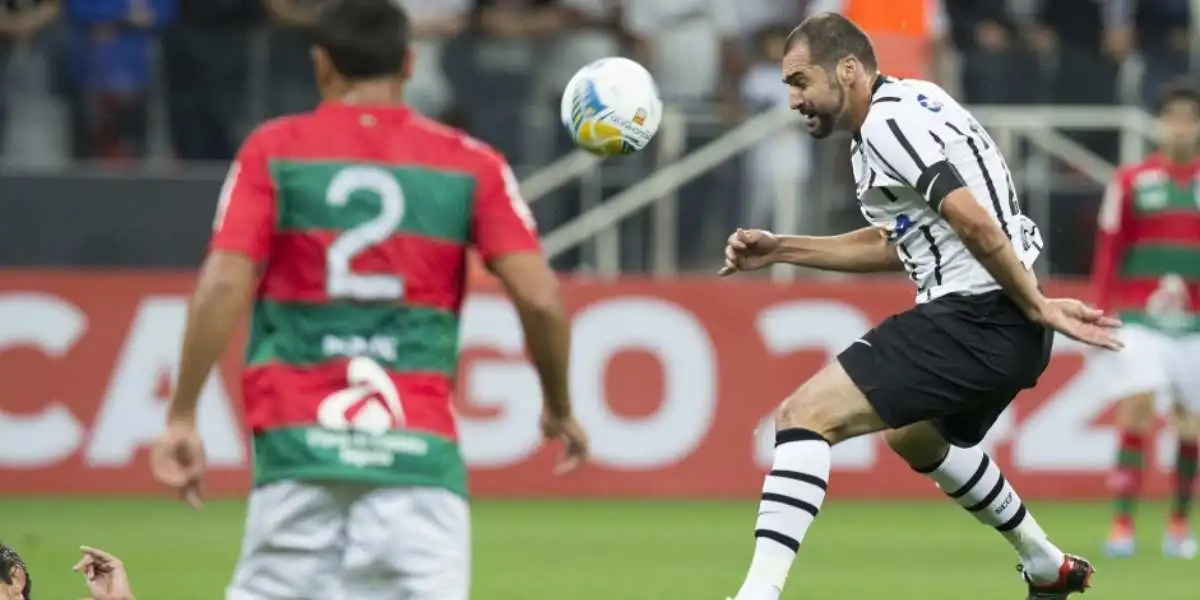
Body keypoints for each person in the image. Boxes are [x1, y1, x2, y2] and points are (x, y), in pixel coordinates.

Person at [148, 1, 588, 599]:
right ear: (409, 63)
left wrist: (182, 414)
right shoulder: (473, 164)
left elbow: (225, 282)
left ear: (320, 65)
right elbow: (540, 300)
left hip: (298, 453)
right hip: (417, 463)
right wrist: (558, 405)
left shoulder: (273, 150)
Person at [719, 13, 1121, 600]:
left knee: (802, 417)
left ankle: (757, 595)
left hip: (980, 314)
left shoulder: (886, 126)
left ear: (848, 69)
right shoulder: (913, 105)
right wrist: (784, 248)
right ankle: (1044, 563)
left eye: (801, 81)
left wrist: (1036, 304)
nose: (794, 99)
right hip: (1002, 322)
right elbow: (895, 242)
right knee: (914, 438)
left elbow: (975, 224)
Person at [1095, 77, 1200, 560]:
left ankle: (1179, 523)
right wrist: (1101, 312)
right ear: (1161, 123)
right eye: (1173, 117)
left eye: (1190, 118)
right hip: (1140, 317)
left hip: (1195, 325)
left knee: (1190, 426)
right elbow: (1110, 247)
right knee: (1136, 408)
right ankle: (1122, 524)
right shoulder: (1132, 180)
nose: (1181, 128)